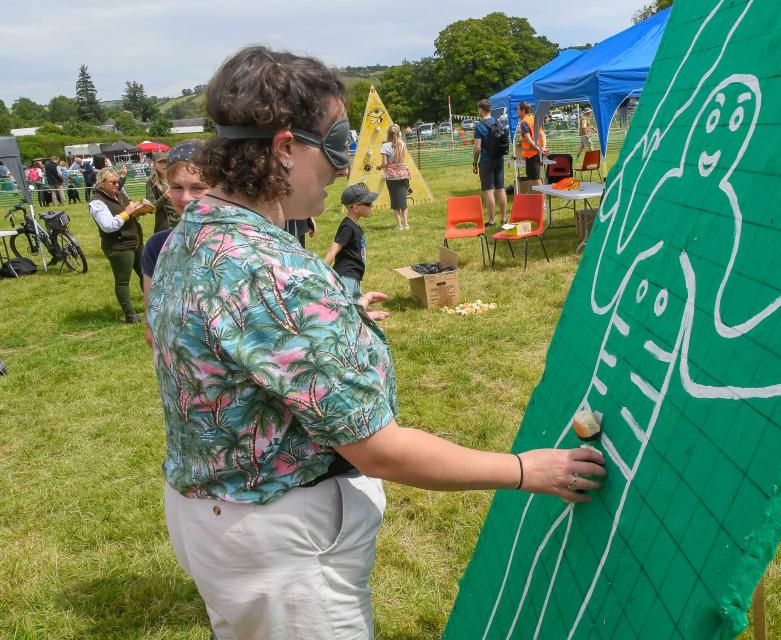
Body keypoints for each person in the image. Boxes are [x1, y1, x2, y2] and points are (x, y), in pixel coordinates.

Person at [147, 45, 604, 640]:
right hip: (283, 542)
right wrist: (523, 469)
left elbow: (242, 337)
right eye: (334, 145)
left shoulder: (196, 229)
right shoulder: (271, 274)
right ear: (284, 148)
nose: (343, 168)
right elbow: (378, 449)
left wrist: (336, 314)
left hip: (222, 520)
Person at [142, 140, 210, 347]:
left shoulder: (242, 243)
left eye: (198, 187)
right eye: (177, 187)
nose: (186, 197)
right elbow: (152, 325)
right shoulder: (158, 246)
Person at [89, 168, 152, 323]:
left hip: (135, 241)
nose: (117, 184)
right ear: (102, 183)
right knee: (123, 281)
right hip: (119, 245)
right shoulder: (96, 202)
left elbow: (128, 216)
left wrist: (138, 211)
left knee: (147, 275)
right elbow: (108, 225)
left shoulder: (120, 195)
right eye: (113, 182)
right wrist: (127, 212)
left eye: (118, 181)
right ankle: (130, 315)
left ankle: (153, 306)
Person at [325, 184, 374, 300]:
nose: (372, 205)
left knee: (355, 306)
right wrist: (321, 269)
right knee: (346, 306)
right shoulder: (347, 227)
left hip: (354, 276)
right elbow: (333, 249)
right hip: (347, 275)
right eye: (368, 203)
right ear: (356, 208)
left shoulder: (354, 225)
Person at [473, 98, 507, 227]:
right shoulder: (498, 124)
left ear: (480, 110)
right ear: (490, 109)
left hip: (486, 161)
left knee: (489, 190)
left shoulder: (480, 126)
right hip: (499, 160)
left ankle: (492, 220)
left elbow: (477, 148)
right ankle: (504, 219)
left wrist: (474, 162)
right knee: (500, 189)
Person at [377, 123, 410, 230]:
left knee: (395, 200)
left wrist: (379, 166)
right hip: (404, 174)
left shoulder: (385, 146)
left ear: (388, 134)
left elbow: (385, 164)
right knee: (403, 200)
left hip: (392, 176)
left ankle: (399, 225)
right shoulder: (402, 144)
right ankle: (406, 224)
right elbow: (403, 159)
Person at [145, 151, 179, 233]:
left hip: (182, 221)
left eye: (166, 161)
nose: (164, 164)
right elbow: (151, 208)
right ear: (154, 164)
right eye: (160, 162)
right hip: (166, 225)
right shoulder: (151, 182)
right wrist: (164, 197)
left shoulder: (176, 176)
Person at [517, 101, 547, 189]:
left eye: (518, 109)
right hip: (538, 153)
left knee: (536, 179)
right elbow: (543, 135)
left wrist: (540, 150)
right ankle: (541, 199)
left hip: (532, 155)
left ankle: (542, 200)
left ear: (523, 110)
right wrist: (542, 149)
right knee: (536, 178)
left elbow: (529, 140)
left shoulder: (523, 122)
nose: (517, 112)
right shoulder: (535, 118)